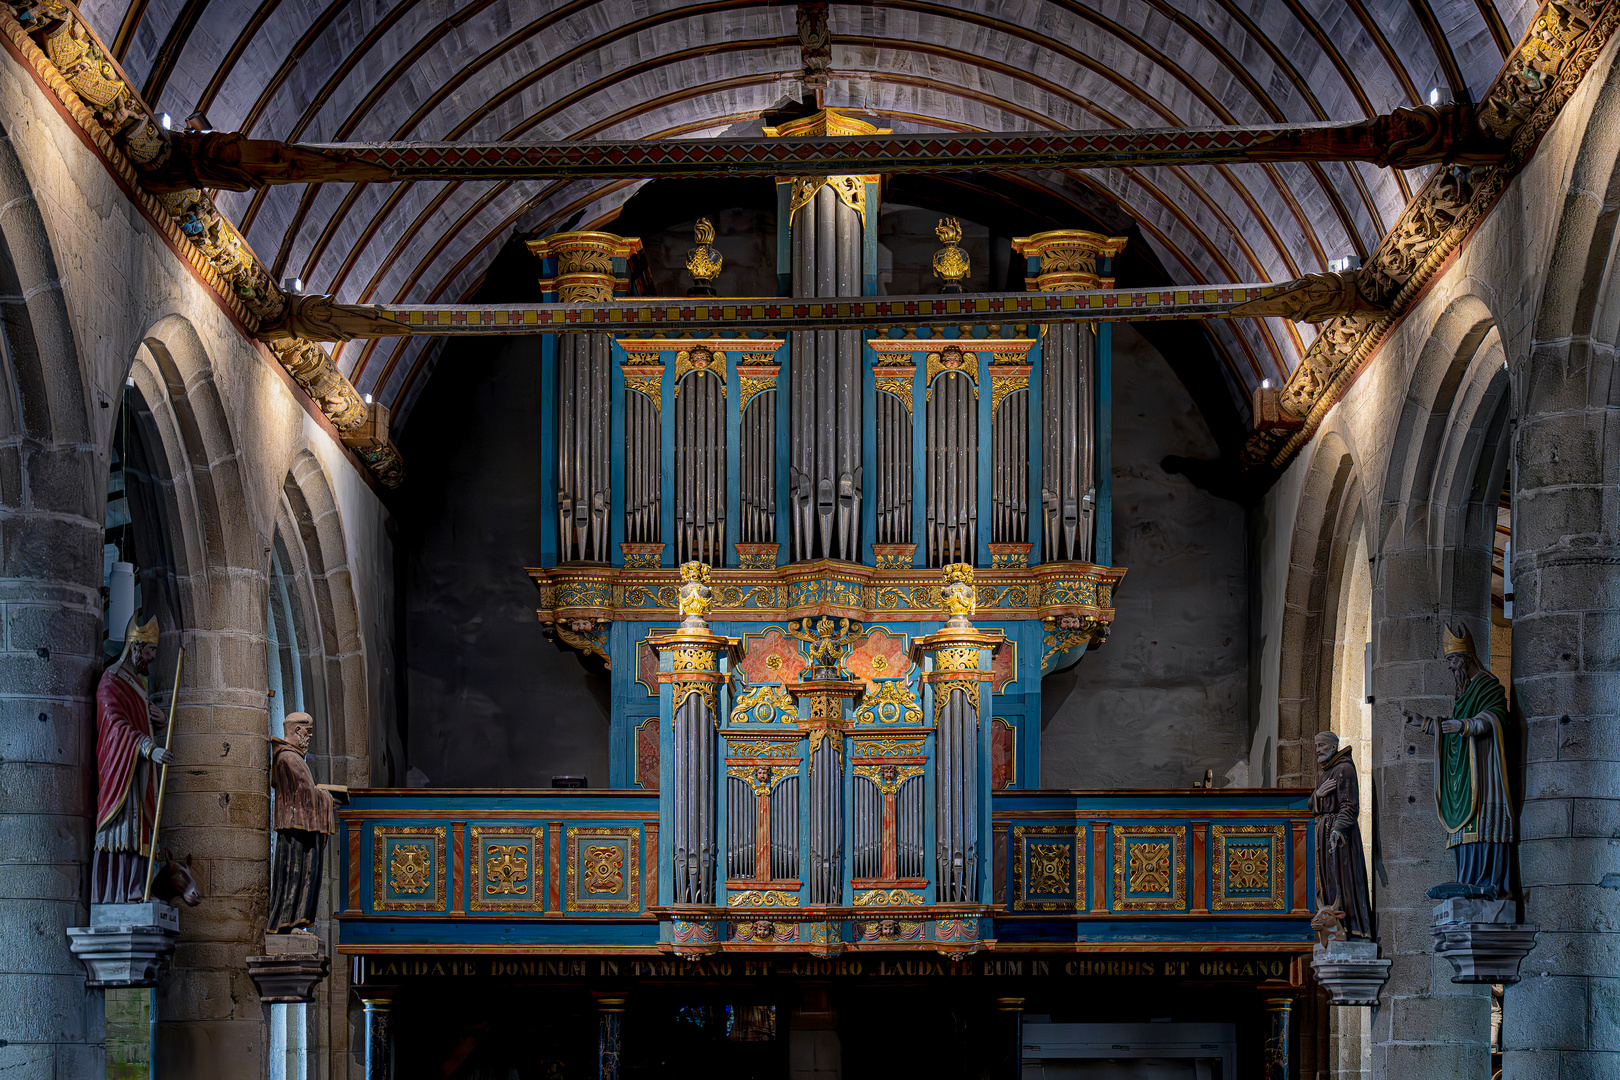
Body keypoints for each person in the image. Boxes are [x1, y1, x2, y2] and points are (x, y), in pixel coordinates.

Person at [1402, 623, 1515, 899]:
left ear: (1466, 658)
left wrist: (1467, 726)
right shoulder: (1463, 697)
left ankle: (1490, 885)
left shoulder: (1487, 685)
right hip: (1463, 778)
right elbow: (1452, 728)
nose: (1450, 667)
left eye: (1452, 660)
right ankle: (1468, 883)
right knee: (1462, 834)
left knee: (1482, 830)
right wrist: (1425, 723)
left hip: (1485, 778)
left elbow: (1498, 717)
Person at [93, 616, 173, 904]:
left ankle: (138, 890)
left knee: (142, 829)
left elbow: (140, 720)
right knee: (124, 827)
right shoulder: (111, 679)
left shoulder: (137, 684)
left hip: (139, 772)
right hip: (121, 771)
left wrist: (159, 720)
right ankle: (119, 894)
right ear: (135, 647)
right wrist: (149, 748)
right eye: (150, 649)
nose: (152, 657)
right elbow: (115, 724)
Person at [267, 712, 337, 933]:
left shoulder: (291, 756)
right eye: (308, 732)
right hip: (297, 827)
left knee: (304, 875)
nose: (309, 737)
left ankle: (296, 921)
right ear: (297, 730)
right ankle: (290, 921)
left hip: (301, 824)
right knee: (297, 877)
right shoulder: (289, 758)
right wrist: (328, 796)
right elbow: (305, 793)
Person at [1311, 730, 1372, 937]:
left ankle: (1351, 929)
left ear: (1334, 746)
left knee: (1343, 878)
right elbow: (1312, 806)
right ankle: (1333, 929)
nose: (1318, 750)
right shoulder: (1325, 773)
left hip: (1340, 835)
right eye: (1317, 746)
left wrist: (1338, 829)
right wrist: (1318, 794)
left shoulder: (1345, 769)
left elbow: (1349, 805)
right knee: (1328, 880)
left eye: (1322, 746)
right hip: (1325, 831)